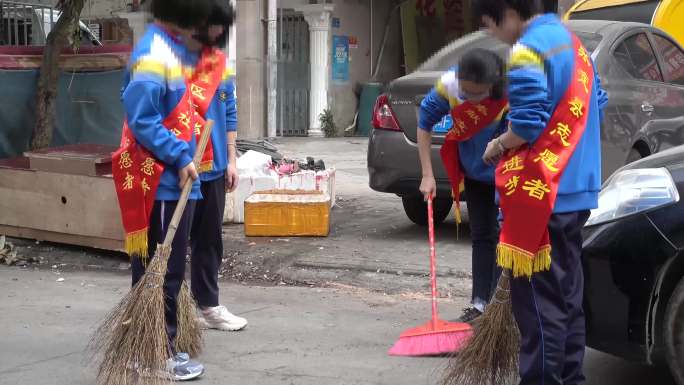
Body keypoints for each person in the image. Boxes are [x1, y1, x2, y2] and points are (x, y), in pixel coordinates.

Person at [473, 1, 608, 384]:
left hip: (542, 200)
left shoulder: (528, 50)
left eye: (490, 26)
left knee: (538, 309)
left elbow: (528, 124)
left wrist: (497, 145)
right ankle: (571, 378)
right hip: (578, 192)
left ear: (507, 14)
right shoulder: (573, 44)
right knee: (568, 301)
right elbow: (598, 102)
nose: (494, 36)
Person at [111, 0, 213, 380]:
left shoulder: (168, 52)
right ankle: (159, 353)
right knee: (162, 272)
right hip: (163, 183)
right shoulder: (154, 56)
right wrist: (179, 156)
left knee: (162, 271)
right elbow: (143, 119)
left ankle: (150, 347)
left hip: (169, 179)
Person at [417, 49, 508, 323]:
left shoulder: (513, 93)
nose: (468, 98)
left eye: (476, 93)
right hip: (476, 173)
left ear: (493, 85)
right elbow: (424, 125)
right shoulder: (449, 89)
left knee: (509, 239)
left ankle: (502, 309)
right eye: (465, 92)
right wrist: (427, 174)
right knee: (482, 236)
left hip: (510, 175)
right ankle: (480, 304)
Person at [185, 0, 248, 332]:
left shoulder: (220, 66)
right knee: (173, 242)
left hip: (215, 165)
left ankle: (208, 304)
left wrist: (232, 159)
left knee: (209, 239)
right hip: (181, 167)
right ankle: (170, 308)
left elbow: (230, 112)